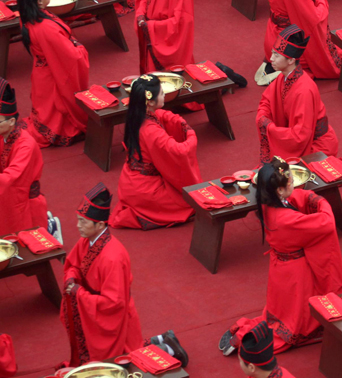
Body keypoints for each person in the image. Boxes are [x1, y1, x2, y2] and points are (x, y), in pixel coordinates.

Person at [221, 158, 342, 355]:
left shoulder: (267, 202)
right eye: (290, 181)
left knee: (281, 312)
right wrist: (320, 201)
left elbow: (295, 196)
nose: (293, 184)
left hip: (281, 266)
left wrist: (308, 196)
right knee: (299, 319)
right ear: (279, 190)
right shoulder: (287, 219)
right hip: (298, 272)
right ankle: (250, 337)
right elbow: (326, 222)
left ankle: (246, 333)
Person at [62, 184, 188, 367]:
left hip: (115, 316)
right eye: (78, 220)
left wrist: (79, 293)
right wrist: (71, 278)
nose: (78, 226)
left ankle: (169, 349)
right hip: (99, 310)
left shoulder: (113, 257)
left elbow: (114, 302)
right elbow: (73, 264)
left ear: (100, 224)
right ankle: (162, 340)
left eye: (83, 222)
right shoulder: (86, 242)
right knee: (127, 353)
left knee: (126, 361)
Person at [110, 74, 201, 230]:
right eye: (161, 93)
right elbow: (179, 151)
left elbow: (163, 115)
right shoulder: (151, 131)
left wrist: (179, 122)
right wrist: (191, 135)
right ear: (150, 102)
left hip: (131, 182)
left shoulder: (137, 115)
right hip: (145, 191)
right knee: (189, 203)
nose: (164, 94)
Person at [16, 0, 89, 148]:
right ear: (40, 2)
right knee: (60, 110)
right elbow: (72, 57)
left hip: (42, 73)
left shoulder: (28, 16)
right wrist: (79, 47)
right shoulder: (45, 28)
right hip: (53, 75)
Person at [257, 25, 339, 163]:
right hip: (301, 138)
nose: (271, 59)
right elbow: (266, 100)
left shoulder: (304, 90)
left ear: (291, 60)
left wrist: (269, 127)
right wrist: (263, 118)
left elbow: (300, 135)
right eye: (272, 53)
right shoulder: (282, 77)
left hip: (317, 147)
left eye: (276, 55)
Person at [0, 79, 48, 236]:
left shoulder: (26, 145)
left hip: (22, 200)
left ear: (11, 121)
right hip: (9, 193)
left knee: (23, 243)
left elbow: (11, 177)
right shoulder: (3, 134)